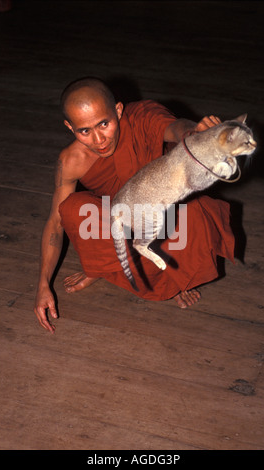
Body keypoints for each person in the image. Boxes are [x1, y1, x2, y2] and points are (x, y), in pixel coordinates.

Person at [34, 77, 234, 333]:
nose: (98, 139)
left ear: (118, 110)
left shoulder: (142, 117)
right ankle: (102, 267)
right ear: (69, 127)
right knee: (74, 210)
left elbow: (175, 128)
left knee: (193, 212)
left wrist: (196, 132)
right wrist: (42, 285)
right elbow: (55, 222)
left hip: (163, 214)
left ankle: (171, 279)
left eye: (104, 124)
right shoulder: (71, 160)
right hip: (121, 220)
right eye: (84, 131)